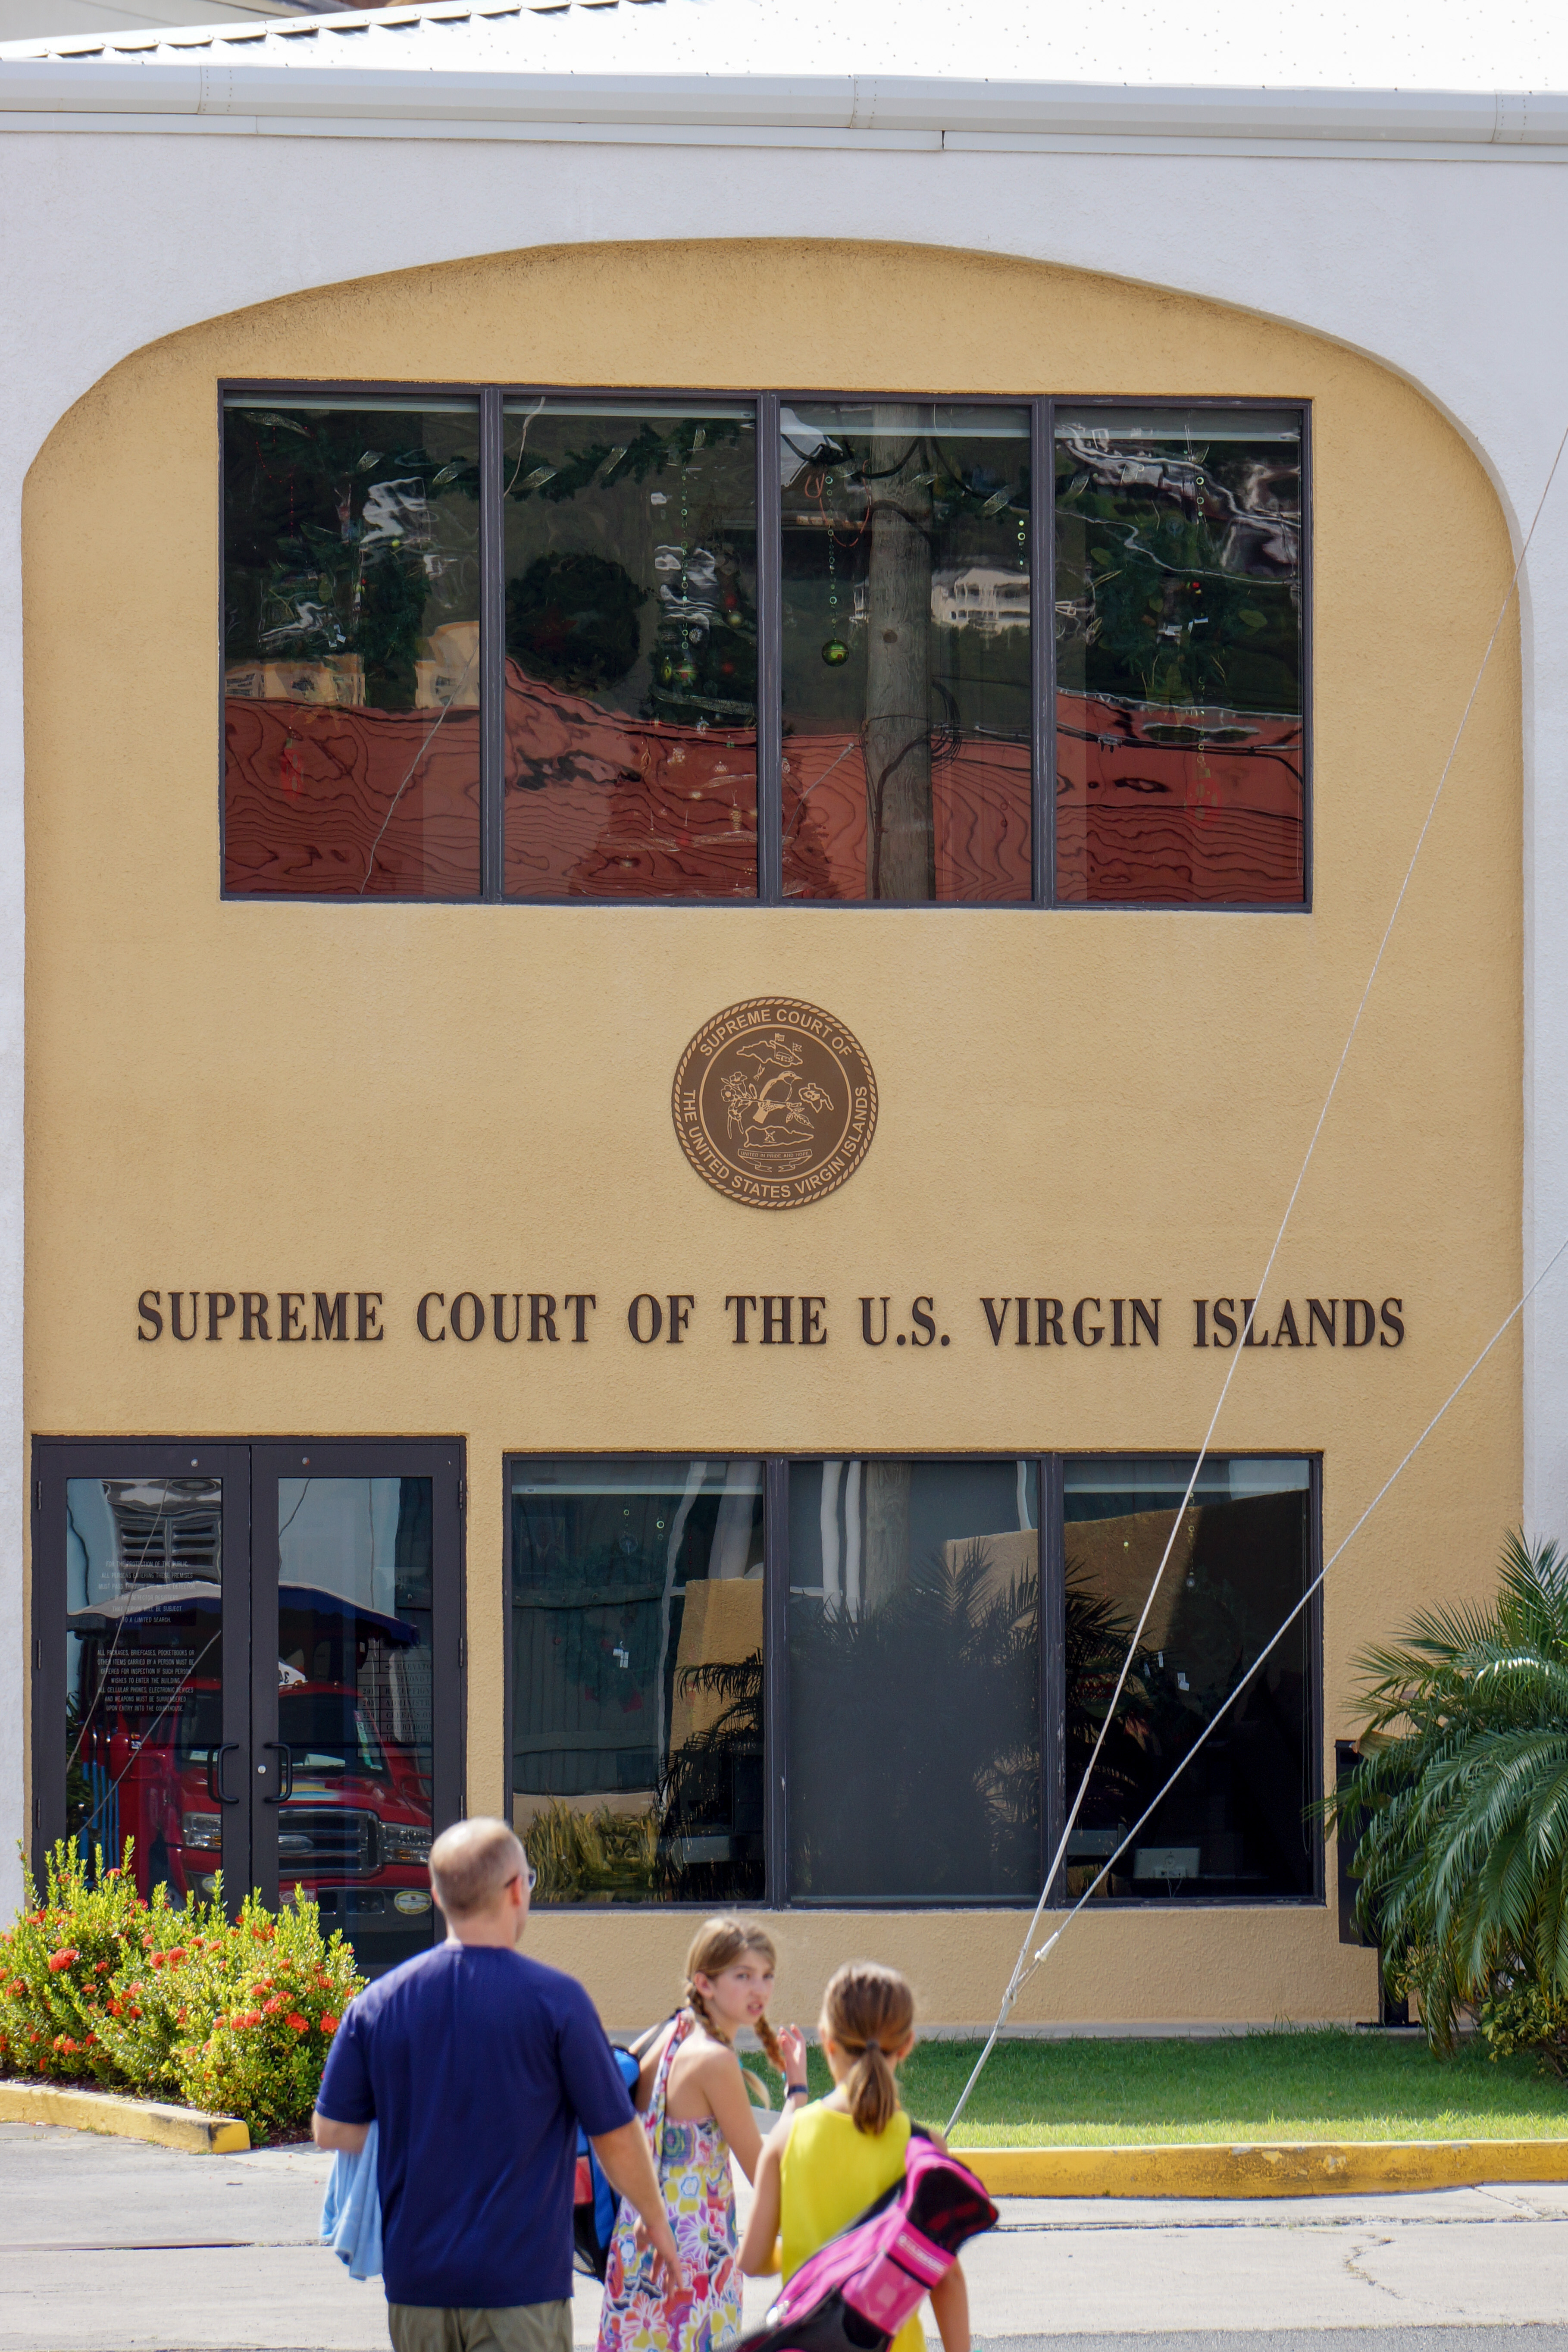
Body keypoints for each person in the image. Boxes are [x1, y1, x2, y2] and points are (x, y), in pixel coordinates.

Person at [312, 1817, 685, 2352]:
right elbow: (615, 2135)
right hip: (521, 2288)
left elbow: (331, 2130)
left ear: (437, 1895)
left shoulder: (378, 2003)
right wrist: (655, 2220)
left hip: (417, 2286)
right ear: (516, 1889)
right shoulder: (557, 2001)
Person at [597, 1917, 809, 2352]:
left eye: (767, 1975)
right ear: (704, 1983)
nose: (759, 1989)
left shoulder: (664, 2035)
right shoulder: (714, 2060)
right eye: (743, 1976)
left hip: (638, 2245)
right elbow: (764, 2172)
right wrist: (797, 2092)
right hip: (692, 2257)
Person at [738, 1961, 970, 2352]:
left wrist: (806, 2255)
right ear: (907, 2044)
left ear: (826, 2040)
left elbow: (753, 2259)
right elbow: (946, 2280)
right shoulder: (923, 2147)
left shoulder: (786, 2137)